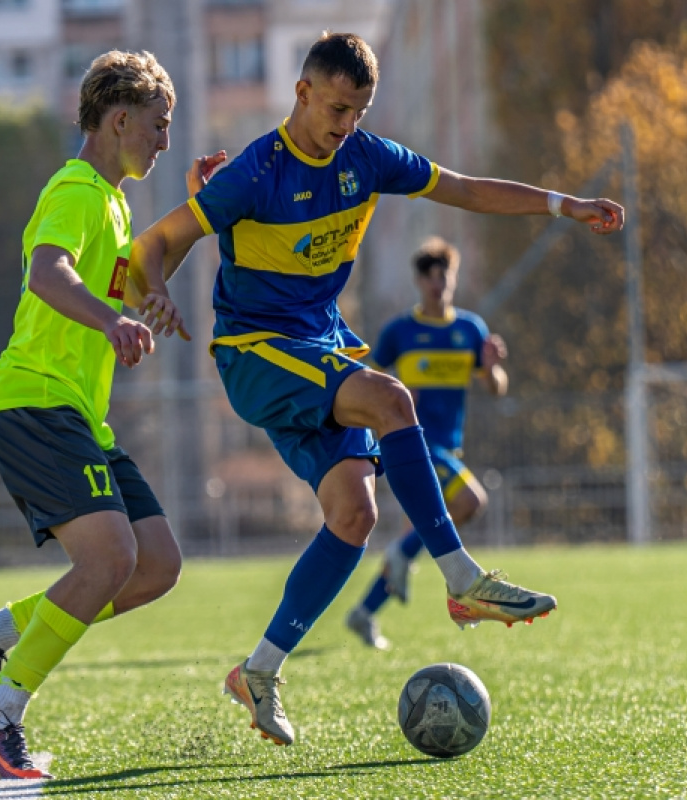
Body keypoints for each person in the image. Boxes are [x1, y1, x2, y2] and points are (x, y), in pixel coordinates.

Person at [129, 32, 624, 748]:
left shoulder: (366, 158)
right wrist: (152, 295)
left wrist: (562, 203)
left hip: (320, 348)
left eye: (358, 111)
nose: (346, 125)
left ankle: (259, 670)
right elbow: (154, 243)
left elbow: (463, 188)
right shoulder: (254, 172)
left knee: (353, 516)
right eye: (335, 108)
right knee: (392, 399)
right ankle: (460, 578)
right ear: (301, 94)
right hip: (257, 352)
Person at [0, 50, 225, 779]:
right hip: (35, 403)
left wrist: (194, 218)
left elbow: (136, 289)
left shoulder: (114, 202)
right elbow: (47, 273)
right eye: (159, 127)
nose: (165, 141)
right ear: (120, 119)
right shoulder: (74, 188)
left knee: (155, 563)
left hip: (77, 417)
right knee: (109, 560)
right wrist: (110, 321)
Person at [346, 236, 509, 650]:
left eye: (446, 276)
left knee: (418, 533)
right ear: (419, 281)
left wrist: (491, 369)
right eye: (431, 277)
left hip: (449, 450)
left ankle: (364, 612)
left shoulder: (470, 329)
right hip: (414, 446)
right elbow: (368, 381)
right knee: (470, 503)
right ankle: (404, 568)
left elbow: (496, 388)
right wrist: (397, 390)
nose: (440, 285)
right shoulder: (401, 331)